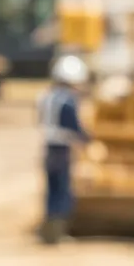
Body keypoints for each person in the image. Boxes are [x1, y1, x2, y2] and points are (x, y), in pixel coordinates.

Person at [37, 54, 91, 243]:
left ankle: (48, 230)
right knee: (62, 190)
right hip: (62, 148)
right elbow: (73, 125)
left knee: (51, 189)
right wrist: (88, 139)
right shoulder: (67, 100)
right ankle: (57, 233)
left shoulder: (45, 97)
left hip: (48, 147)